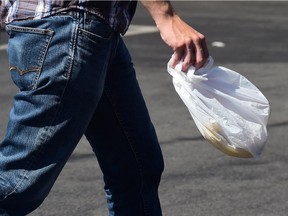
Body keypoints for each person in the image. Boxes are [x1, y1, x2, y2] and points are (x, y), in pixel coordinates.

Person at [0, 0, 209, 215]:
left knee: (136, 167)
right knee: (17, 183)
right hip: (69, 26)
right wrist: (166, 17)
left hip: (92, 29)